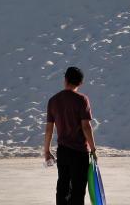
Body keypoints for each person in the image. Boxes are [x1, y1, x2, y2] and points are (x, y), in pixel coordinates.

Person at [44, 66, 98, 205]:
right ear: (80, 83)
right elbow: (86, 127)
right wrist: (93, 148)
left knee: (62, 186)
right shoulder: (82, 100)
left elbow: (49, 129)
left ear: (65, 79)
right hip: (80, 152)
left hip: (63, 151)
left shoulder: (53, 101)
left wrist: (46, 150)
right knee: (78, 190)